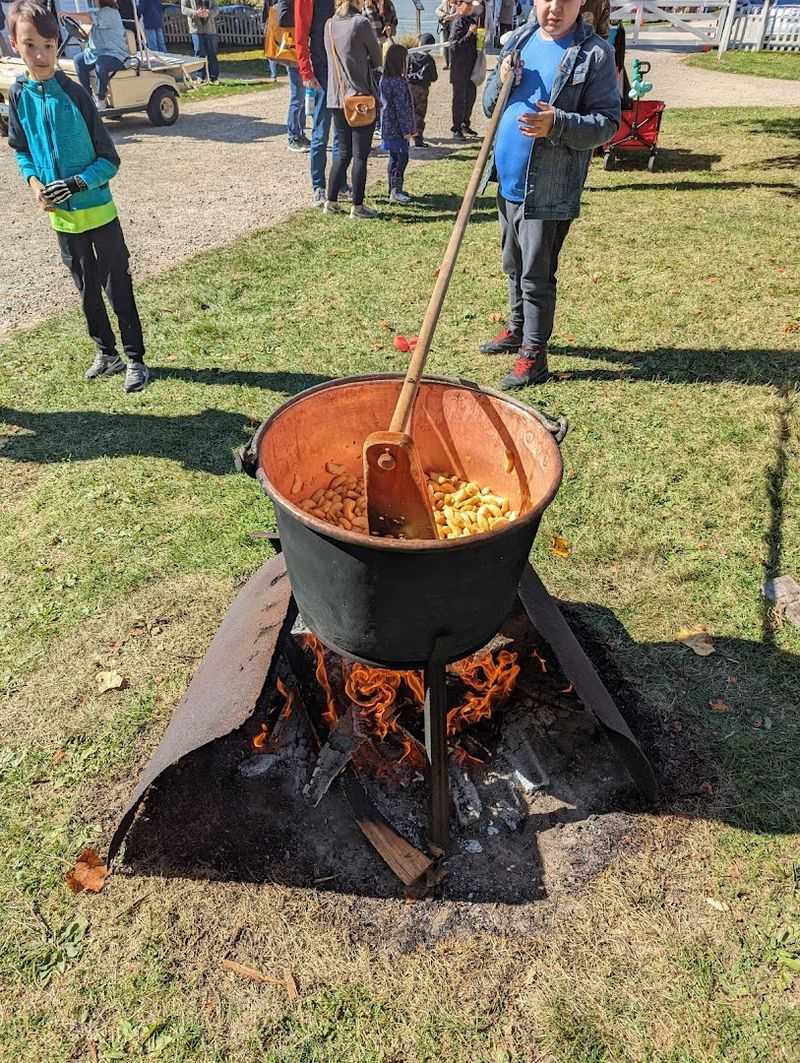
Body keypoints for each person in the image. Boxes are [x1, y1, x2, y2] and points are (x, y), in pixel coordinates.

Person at [7, 0, 150, 392]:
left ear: (58, 46)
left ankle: (135, 357)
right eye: (30, 44)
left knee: (116, 286)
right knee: (86, 292)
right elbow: (20, 149)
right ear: (13, 43)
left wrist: (75, 184)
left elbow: (109, 160)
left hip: (99, 215)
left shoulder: (75, 94)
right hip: (63, 221)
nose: (40, 54)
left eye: (49, 46)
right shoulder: (18, 95)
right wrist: (36, 184)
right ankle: (107, 353)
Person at [479, 0, 619, 389]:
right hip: (507, 182)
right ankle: (517, 328)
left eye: (566, 0)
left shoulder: (595, 55)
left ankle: (534, 356)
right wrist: (500, 78)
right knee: (512, 263)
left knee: (536, 274)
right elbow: (490, 105)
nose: (554, 8)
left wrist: (556, 123)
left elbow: (607, 123)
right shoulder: (520, 39)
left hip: (548, 187)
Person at [323, 0, 381, 219]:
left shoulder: (328, 25)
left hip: (336, 98)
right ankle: (357, 206)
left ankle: (331, 201)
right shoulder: (360, 23)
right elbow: (377, 59)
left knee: (342, 152)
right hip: (359, 98)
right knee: (360, 155)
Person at [72, 0, 129, 109]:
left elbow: (89, 18)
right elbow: (88, 19)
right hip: (99, 53)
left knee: (101, 64)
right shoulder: (100, 12)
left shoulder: (110, 12)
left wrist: (67, 14)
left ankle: (100, 98)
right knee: (78, 60)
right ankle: (87, 97)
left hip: (116, 54)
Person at [380, 42, 415, 204]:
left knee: (394, 157)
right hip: (398, 128)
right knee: (401, 158)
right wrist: (407, 129)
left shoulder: (384, 80)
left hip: (388, 126)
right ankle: (395, 190)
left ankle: (392, 188)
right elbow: (402, 108)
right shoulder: (399, 83)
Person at [448, 0, 478, 141]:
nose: (471, 7)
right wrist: (469, 34)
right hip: (459, 67)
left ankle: (465, 123)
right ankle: (456, 128)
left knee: (470, 95)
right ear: (460, 5)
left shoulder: (470, 20)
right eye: (468, 4)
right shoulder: (458, 22)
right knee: (459, 98)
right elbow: (454, 46)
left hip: (470, 66)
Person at [406, 32, 437, 148]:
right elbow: (434, 77)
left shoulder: (409, 56)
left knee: (407, 113)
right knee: (419, 115)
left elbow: (403, 72)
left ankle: (406, 139)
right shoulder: (429, 59)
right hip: (422, 90)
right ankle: (418, 139)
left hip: (408, 88)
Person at [181, 0, 219, 83]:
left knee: (212, 52)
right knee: (199, 52)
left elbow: (216, 9)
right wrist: (195, 13)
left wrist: (208, 12)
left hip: (210, 29)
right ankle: (200, 76)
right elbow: (183, 9)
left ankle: (214, 77)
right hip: (196, 28)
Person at [435, 0, 454, 68]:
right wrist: (444, 15)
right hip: (445, 26)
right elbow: (437, 10)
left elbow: (459, 13)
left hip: (454, 27)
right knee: (445, 45)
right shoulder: (444, 2)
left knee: (453, 45)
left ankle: (452, 63)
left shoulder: (457, 3)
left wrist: (450, 17)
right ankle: (447, 63)